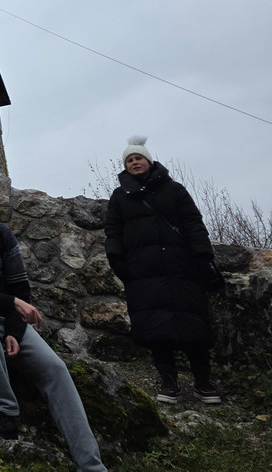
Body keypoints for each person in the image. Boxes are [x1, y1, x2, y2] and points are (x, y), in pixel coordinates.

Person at [0, 174, 107, 472]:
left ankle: (91, 465)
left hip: (2, 319)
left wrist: (13, 330)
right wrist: (11, 304)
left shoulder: (1, 234)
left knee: (55, 369)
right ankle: (6, 414)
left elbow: (18, 287)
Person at [104, 136, 221, 405]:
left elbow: (193, 222)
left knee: (194, 323)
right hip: (144, 271)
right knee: (156, 327)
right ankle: (169, 381)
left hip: (182, 267)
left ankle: (203, 381)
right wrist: (118, 261)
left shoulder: (174, 190)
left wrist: (203, 256)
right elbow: (113, 231)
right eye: (129, 160)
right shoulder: (120, 196)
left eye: (138, 158)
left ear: (149, 160)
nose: (134, 162)